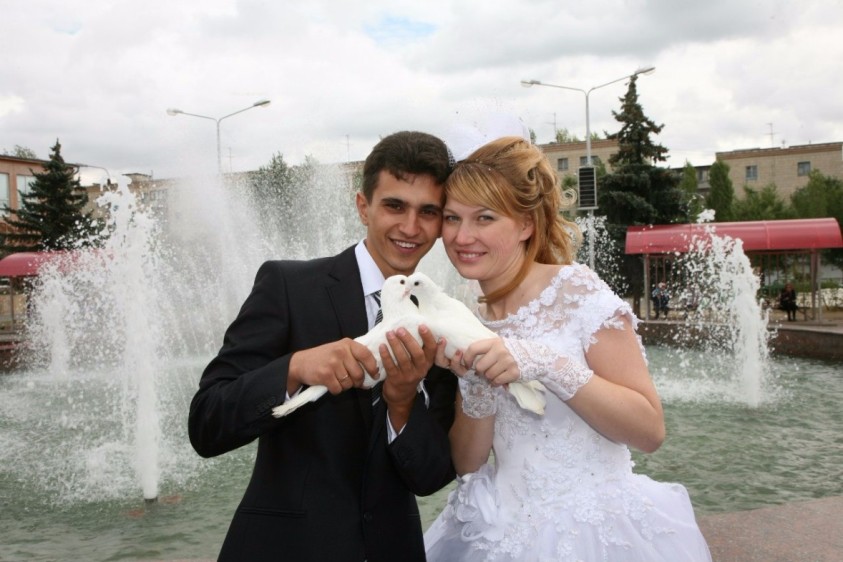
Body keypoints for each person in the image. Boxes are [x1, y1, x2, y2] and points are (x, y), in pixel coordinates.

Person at [423, 136, 711, 561]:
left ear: (526, 224)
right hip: (497, 530)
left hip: (591, 531)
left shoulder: (576, 291)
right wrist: (476, 385)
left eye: (484, 217)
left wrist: (545, 363)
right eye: (452, 218)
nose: (462, 236)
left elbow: (650, 431)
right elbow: (468, 464)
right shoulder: (468, 316)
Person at [188, 131, 458, 562]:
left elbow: (430, 477)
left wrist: (403, 404)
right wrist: (293, 368)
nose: (411, 227)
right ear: (363, 206)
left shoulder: (439, 324)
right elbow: (206, 424)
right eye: (395, 206)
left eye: (428, 211)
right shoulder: (288, 286)